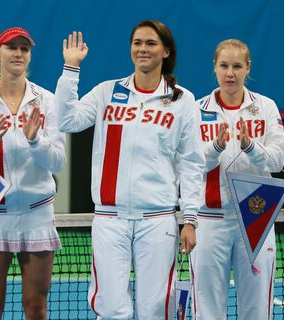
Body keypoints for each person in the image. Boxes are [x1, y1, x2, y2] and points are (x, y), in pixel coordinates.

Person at [55, 20, 205, 319]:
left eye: (150, 43)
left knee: (154, 308)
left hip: (158, 219)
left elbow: (191, 162)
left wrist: (190, 218)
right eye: (137, 43)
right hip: (110, 219)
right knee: (111, 309)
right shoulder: (106, 92)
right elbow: (66, 121)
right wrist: (71, 69)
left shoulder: (182, 101)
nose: (142, 49)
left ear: (166, 51)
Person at [0, 27, 65, 320]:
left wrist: (35, 141)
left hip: (37, 213)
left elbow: (57, 163)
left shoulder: (47, 100)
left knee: (36, 306)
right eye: (11, 47)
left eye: (24, 49)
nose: (18, 53)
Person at [191, 39, 284, 319]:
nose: (230, 73)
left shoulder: (266, 107)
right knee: (207, 308)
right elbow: (190, 164)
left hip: (256, 219)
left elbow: (278, 160)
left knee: (257, 308)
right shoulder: (196, 110)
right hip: (209, 220)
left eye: (237, 66)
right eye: (224, 66)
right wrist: (216, 147)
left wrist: (250, 146)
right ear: (215, 68)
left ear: (247, 68)